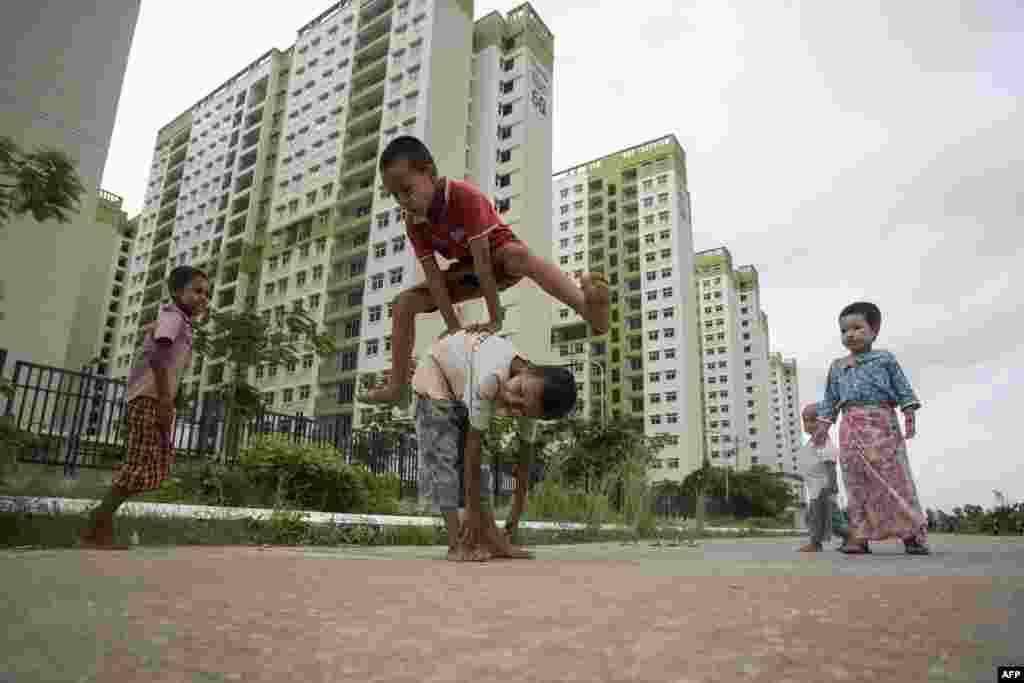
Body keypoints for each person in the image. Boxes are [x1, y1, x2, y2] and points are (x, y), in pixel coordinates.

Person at [362, 135, 610, 404]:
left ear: (430, 173)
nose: (403, 201)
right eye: (395, 196)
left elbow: (484, 262)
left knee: (519, 255)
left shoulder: (464, 197)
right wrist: (454, 328)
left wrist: (495, 318)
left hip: (501, 263)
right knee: (403, 303)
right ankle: (397, 387)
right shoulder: (413, 222)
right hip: (468, 274)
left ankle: (587, 309)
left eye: (407, 190)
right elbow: (434, 278)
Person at [411, 327, 577, 561]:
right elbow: (472, 453)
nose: (512, 400)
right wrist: (470, 519)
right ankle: (456, 543)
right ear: (529, 369)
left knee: (482, 468)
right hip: (434, 372)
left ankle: (492, 539)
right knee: (444, 459)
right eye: (518, 391)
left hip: (461, 386)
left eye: (522, 408)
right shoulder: (490, 378)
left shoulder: (531, 396)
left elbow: (524, 462)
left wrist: (514, 520)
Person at [80, 266, 209, 549]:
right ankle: (95, 527)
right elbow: (158, 357)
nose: (204, 298)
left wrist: (169, 401)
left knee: (154, 463)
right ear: (177, 292)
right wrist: (164, 400)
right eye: (197, 291)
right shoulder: (172, 317)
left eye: (206, 293)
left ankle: (98, 523)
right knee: (139, 465)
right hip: (150, 399)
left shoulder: (181, 322)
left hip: (158, 399)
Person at [812, 301, 930, 555]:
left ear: (875, 329)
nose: (850, 334)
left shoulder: (885, 359)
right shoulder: (837, 366)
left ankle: (912, 534)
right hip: (850, 429)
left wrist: (909, 413)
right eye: (844, 330)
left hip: (882, 425)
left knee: (895, 480)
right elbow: (830, 399)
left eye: (857, 327)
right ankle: (859, 536)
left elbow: (902, 389)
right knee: (855, 482)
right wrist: (823, 427)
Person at [796, 404, 848, 552]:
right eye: (805, 421)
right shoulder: (813, 441)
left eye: (813, 420)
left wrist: (832, 486)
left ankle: (848, 536)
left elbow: (830, 464)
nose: (808, 425)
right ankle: (817, 542)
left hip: (823, 488)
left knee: (830, 518)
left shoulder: (823, 441)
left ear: (823, 422)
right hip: (814, 488)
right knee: (816, 517)